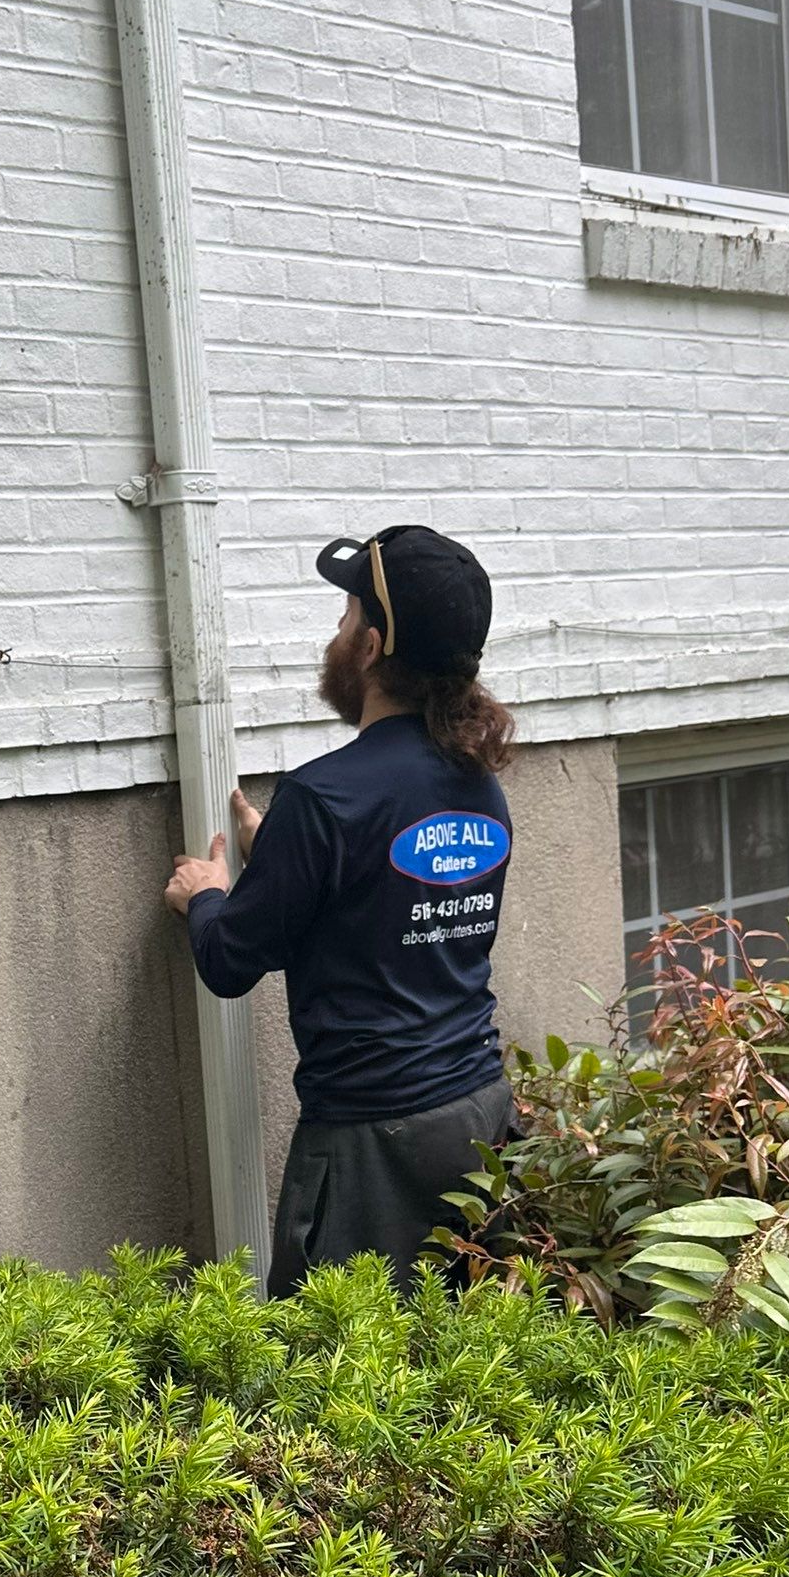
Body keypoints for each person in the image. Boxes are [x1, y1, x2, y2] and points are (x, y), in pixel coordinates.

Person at [164, 524, 517, 1299]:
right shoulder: (478, 784)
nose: (338, 632)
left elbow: (228, 963)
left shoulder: (324, 796)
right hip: (481, 1118)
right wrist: (287, 863)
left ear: (373, 645)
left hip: (373, 1146)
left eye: (346, 617)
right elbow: (384, 925)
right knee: (472, 1359)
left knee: (340, 1378)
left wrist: (209, 892)